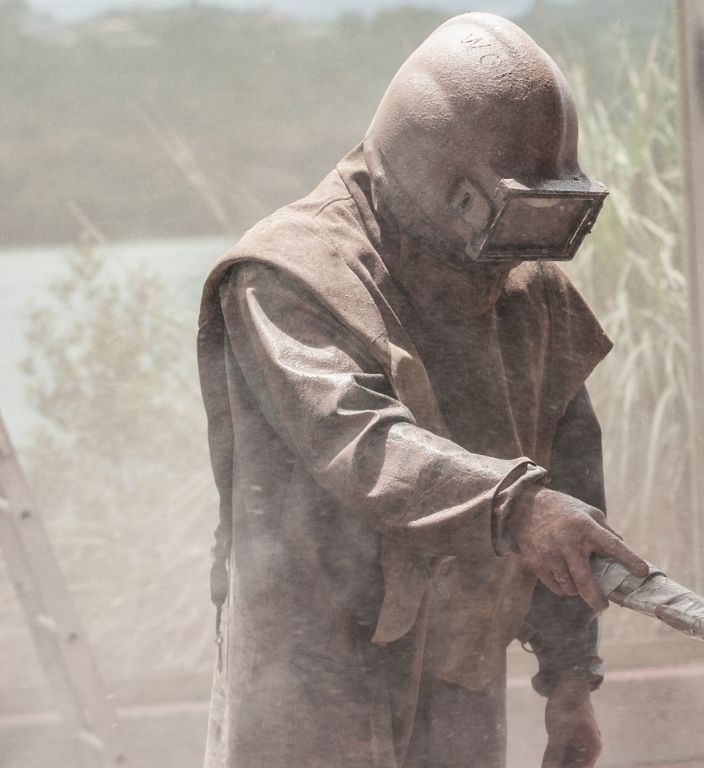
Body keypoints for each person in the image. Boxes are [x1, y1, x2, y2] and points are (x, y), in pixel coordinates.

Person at [195, 13, 647, 768]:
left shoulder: (523, 283)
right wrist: (519, 507)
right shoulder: (287, 277)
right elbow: (359, 442)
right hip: (310, 678)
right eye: (508, 215)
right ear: (448, 186)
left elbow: (572, 477)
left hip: (458, 667)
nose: (515, 253)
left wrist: (571, 683)